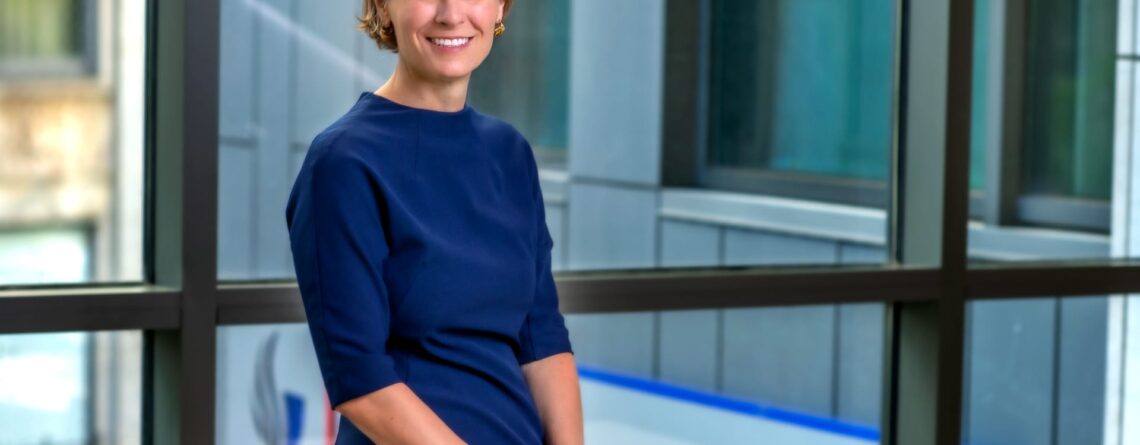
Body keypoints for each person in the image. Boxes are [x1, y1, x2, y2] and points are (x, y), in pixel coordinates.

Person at [283, 0, 583, 443]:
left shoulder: (510, 154)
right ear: (383, 9)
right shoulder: (343, 163)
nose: (450, 13)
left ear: (500, 9)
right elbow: (360, 381)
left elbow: (543, 338)